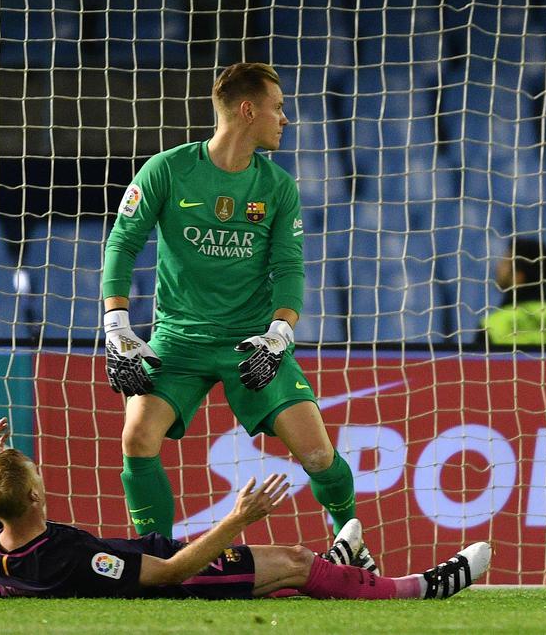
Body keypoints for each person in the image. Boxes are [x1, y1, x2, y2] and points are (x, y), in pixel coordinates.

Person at [100, 62, 366, 563]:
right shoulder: (167, 169)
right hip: (179, 337)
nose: (285, 119)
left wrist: (279, 334)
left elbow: (290, 269)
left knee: (316, 453)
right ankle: (156, 559)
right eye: (278, 107)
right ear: (248, 110)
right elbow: (122, 243)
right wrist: (117, 326)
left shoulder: (277, 186)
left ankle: (353, 547)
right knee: (136, 437)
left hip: (251, 342)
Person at [0, 415, 490, 600]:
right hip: (175, 579)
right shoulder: (68, 553)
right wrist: (237, 519)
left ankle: (342, 562)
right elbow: (169, 573)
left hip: (151, 561)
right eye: (35, 476)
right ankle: (422, 588)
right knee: (294, 562)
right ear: (34, 496)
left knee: (285, 579)